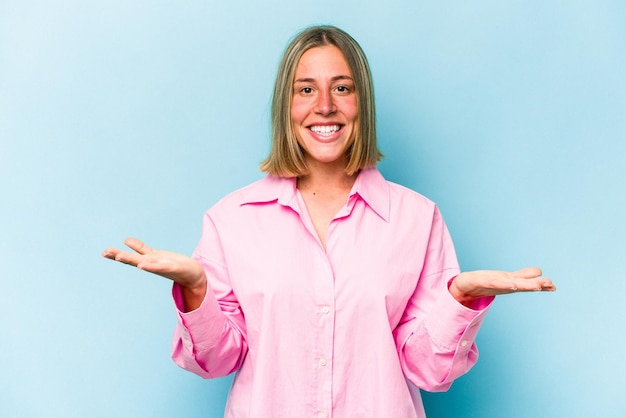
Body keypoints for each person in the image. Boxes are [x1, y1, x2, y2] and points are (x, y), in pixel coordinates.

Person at [103, 25, 556, 418]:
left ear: (362, 102)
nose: (324, 106)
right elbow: (217, 361)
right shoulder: (230, 220)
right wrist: (196, 290)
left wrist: (460, 297)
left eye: (341, 87)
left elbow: (427, 369)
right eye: (306, 89)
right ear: (287, 105)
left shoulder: (417, 219)